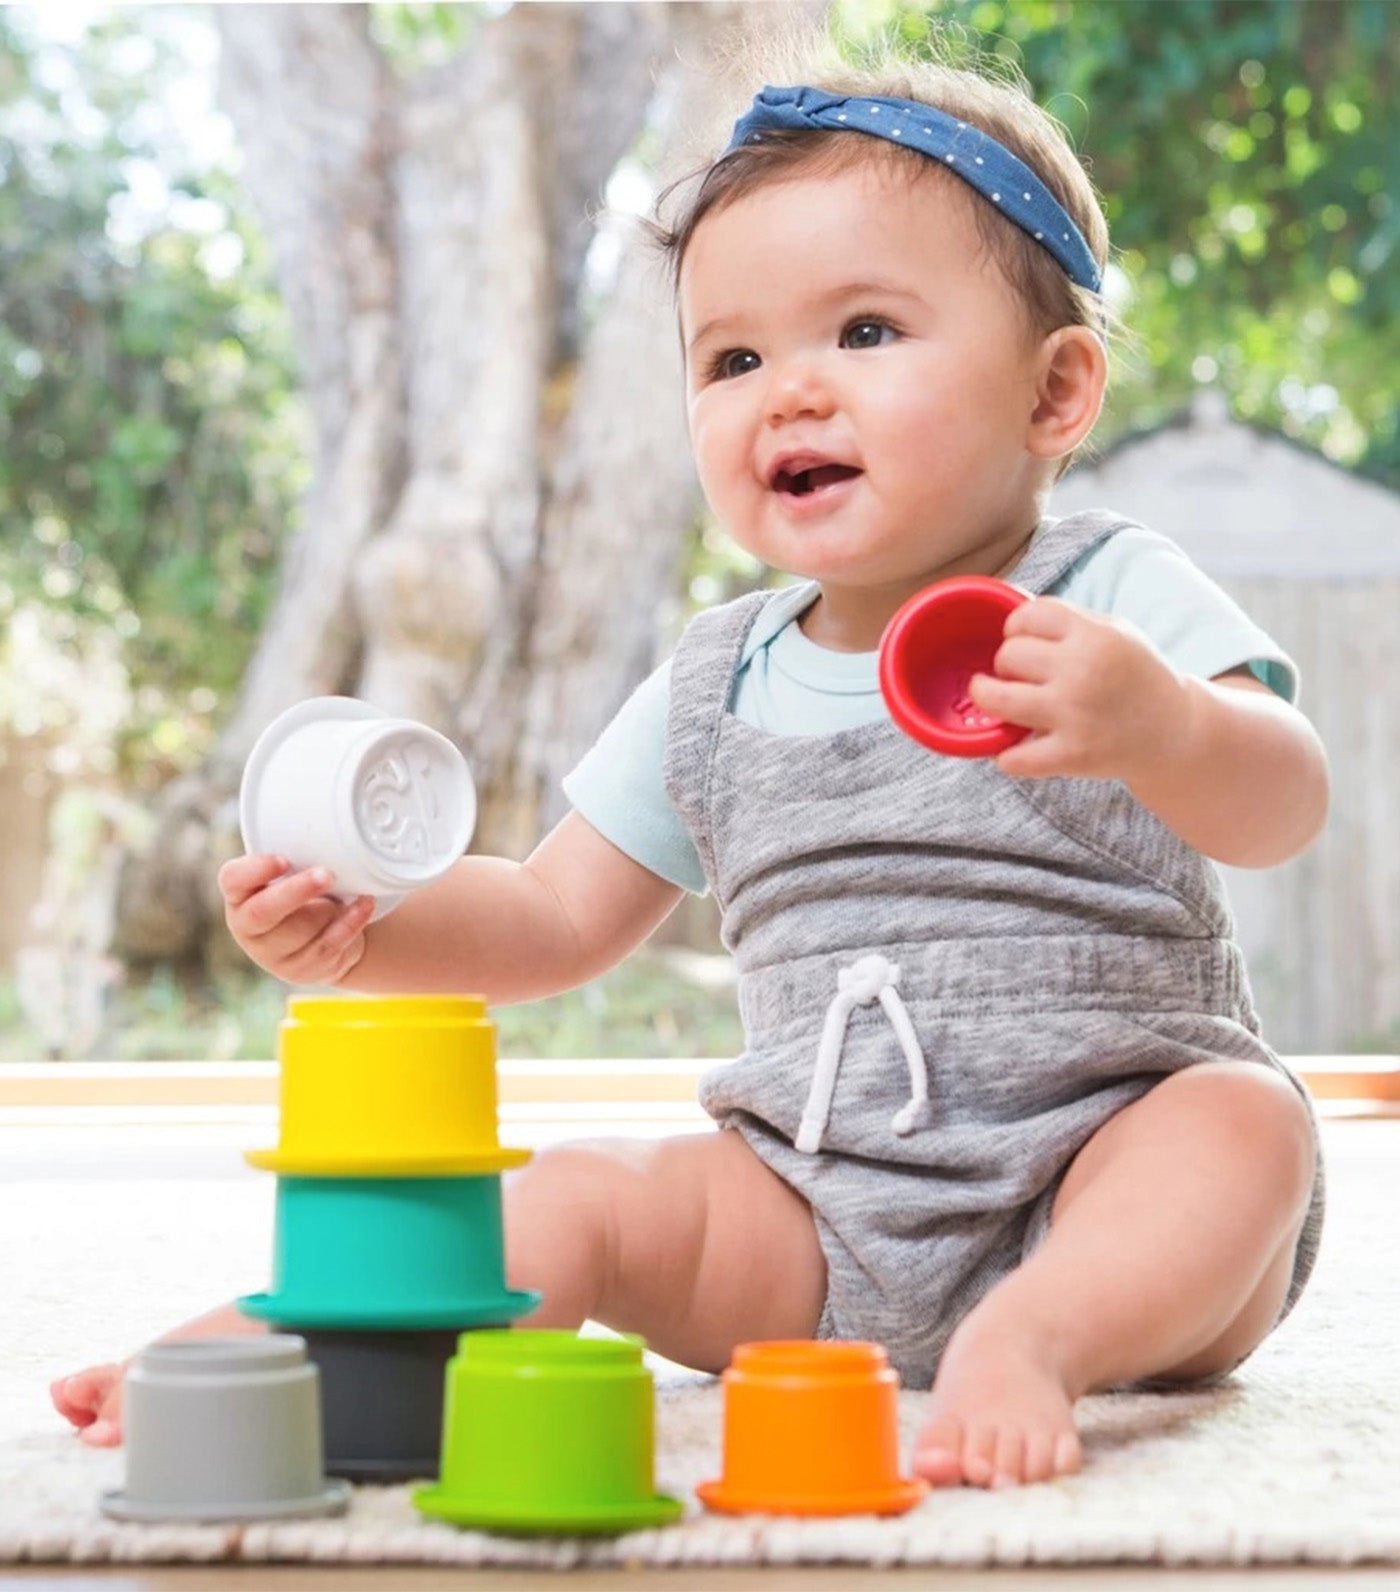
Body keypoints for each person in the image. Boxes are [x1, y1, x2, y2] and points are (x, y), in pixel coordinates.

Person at [53, 43, 1328, 1491]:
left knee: (1243, 1123)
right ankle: (315, 1346)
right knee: (585, 1191)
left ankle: (1033, 1339)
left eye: (864, 330)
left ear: (1056, 394)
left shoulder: (1105, 597)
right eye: (732, 359)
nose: (789, 393)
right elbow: (553, 919)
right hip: (812, 1221)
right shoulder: (715, 679)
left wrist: (1165, 724)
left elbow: (1283, 802)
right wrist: (367, 929)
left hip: (1111, 1198)